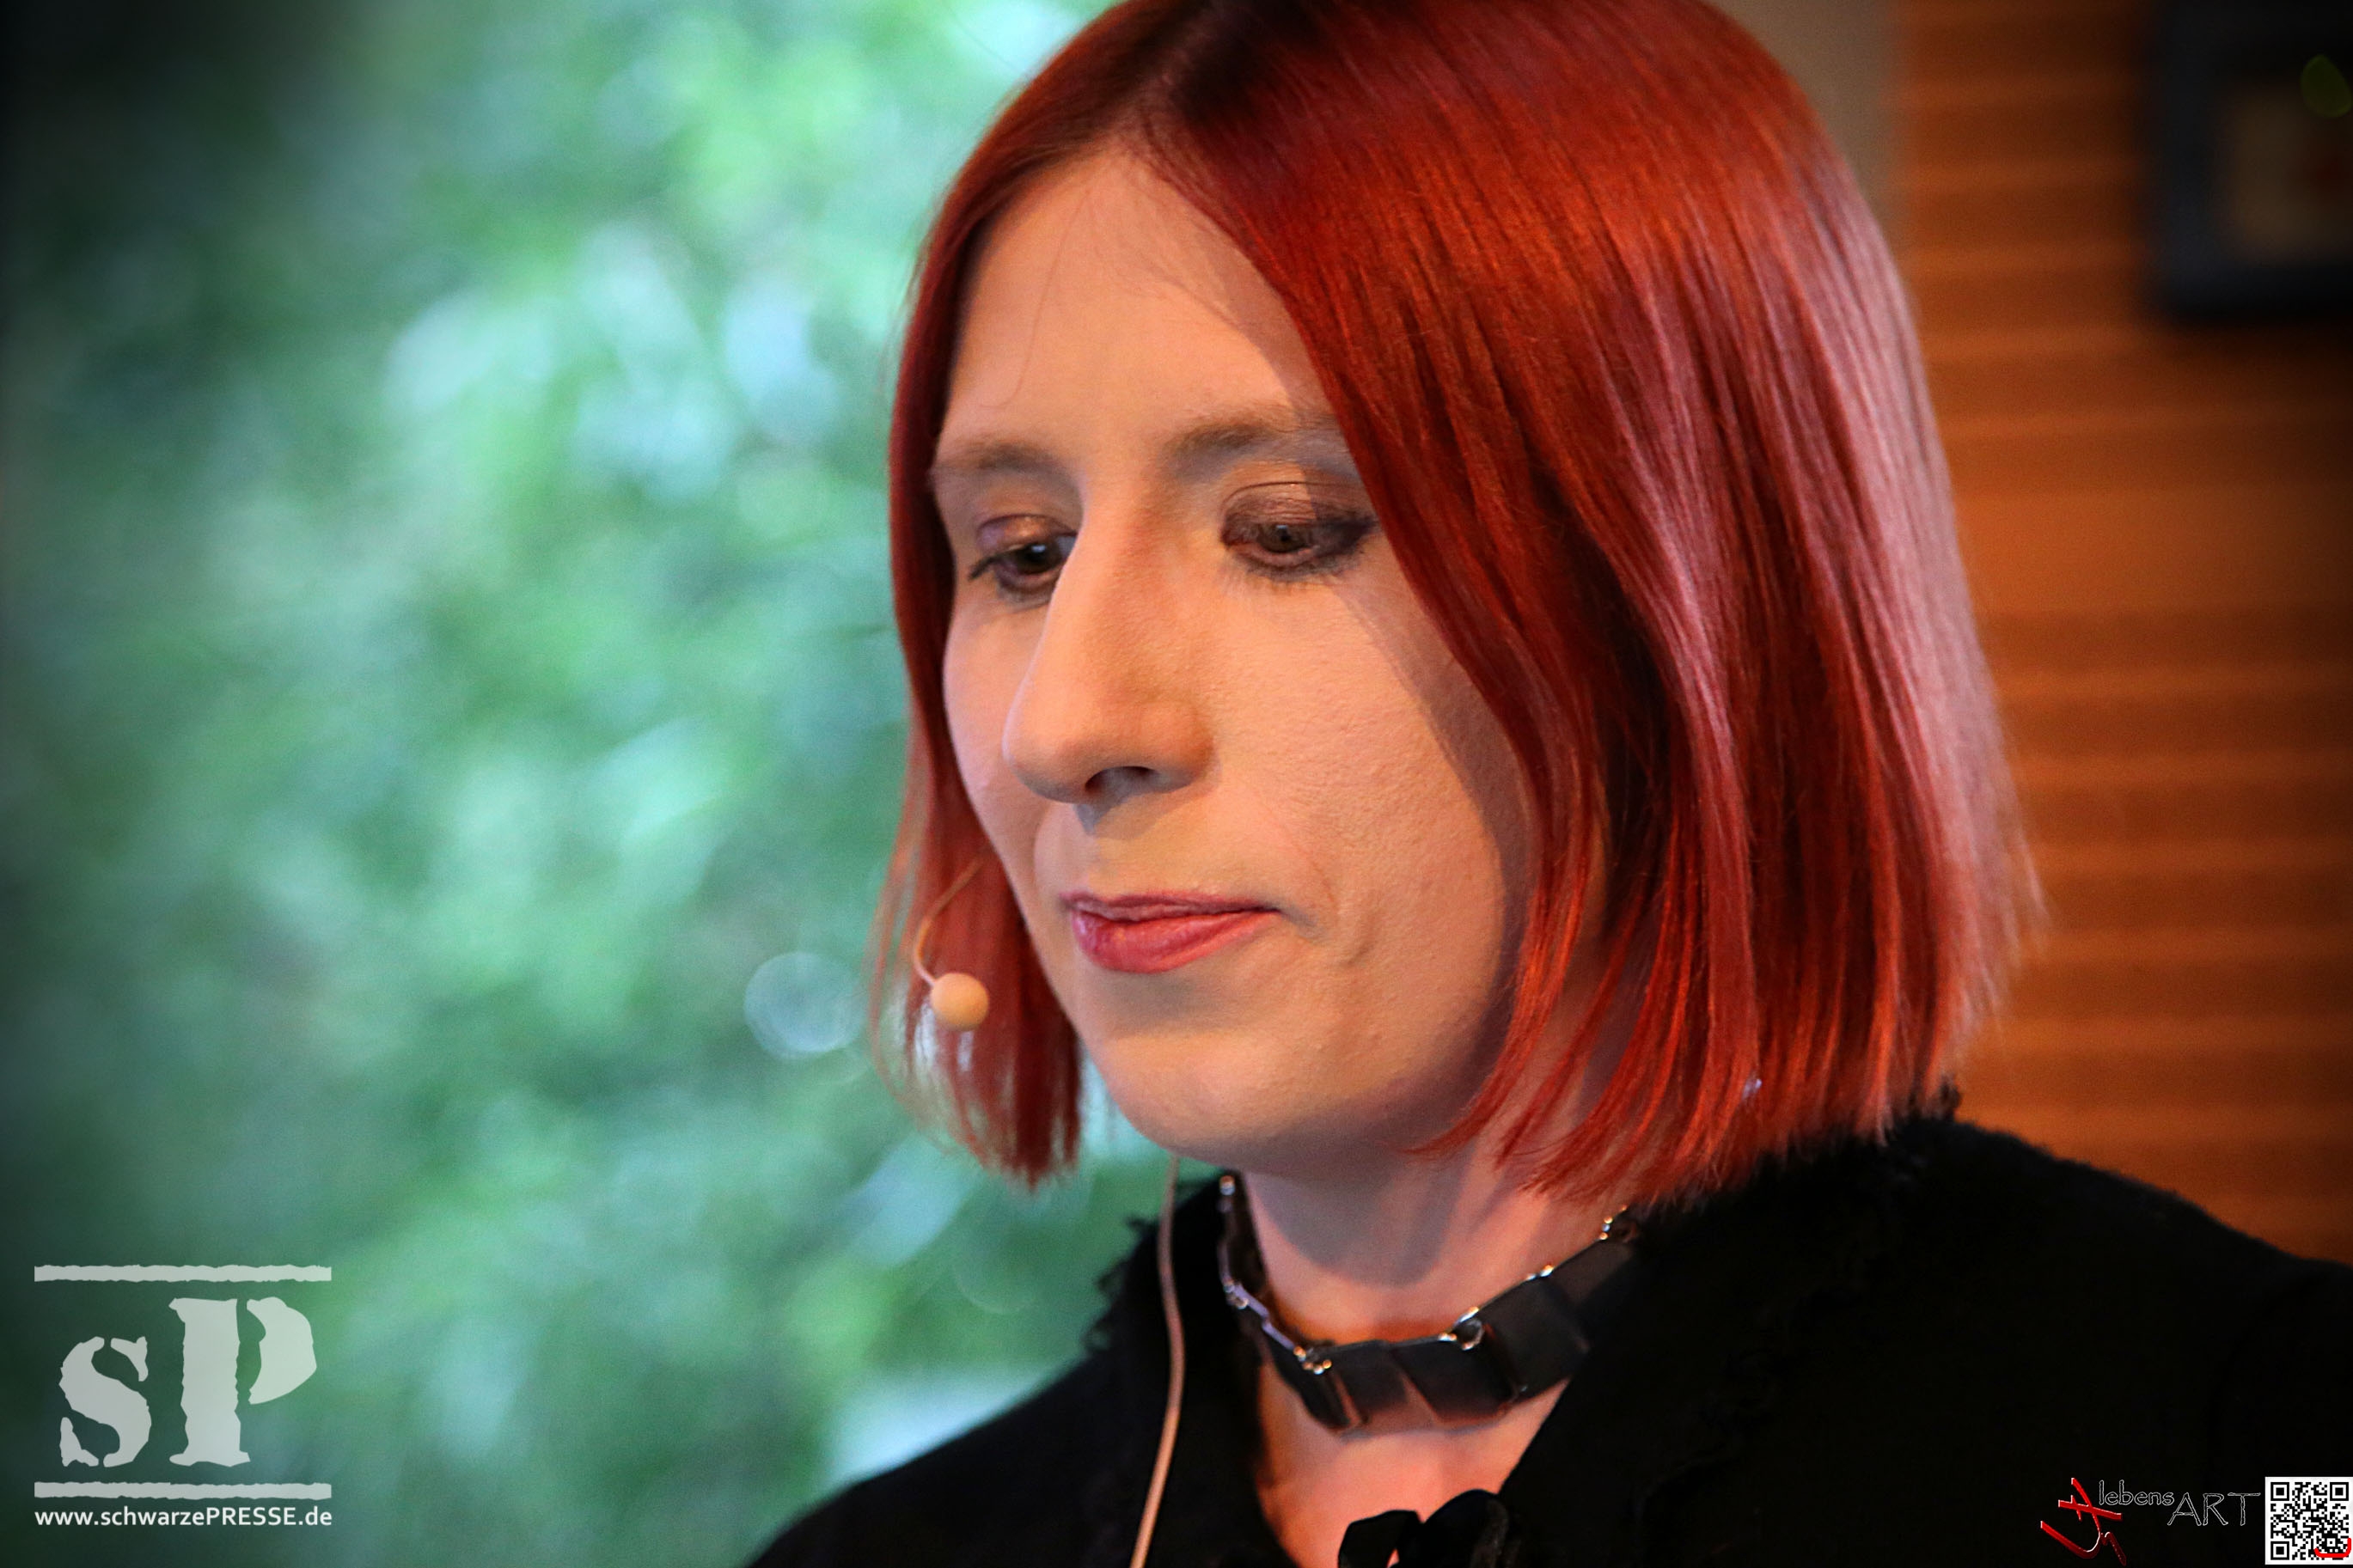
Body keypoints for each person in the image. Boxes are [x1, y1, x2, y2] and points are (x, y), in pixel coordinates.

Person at [753, 2, 2353, 1565]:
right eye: (1022, 554)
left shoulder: (2262, 1466)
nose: (1060, 723)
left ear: (1701, 582)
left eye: (1287, 530)